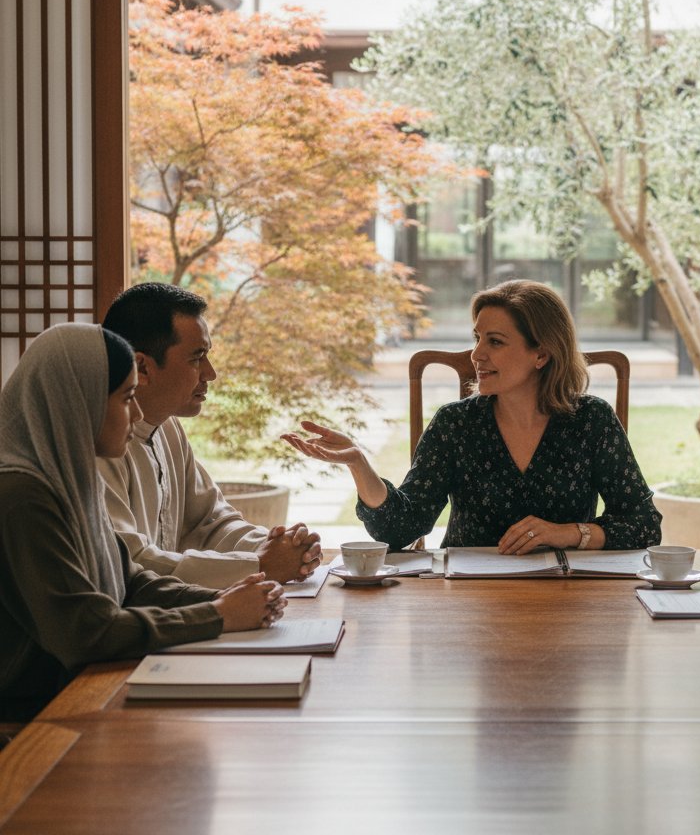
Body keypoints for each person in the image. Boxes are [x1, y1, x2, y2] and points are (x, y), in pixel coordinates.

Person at [0, 323, 285, 721]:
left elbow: (130, 581)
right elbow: (87, 632)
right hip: (31, 721)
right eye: (127, 397)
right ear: (76, 402)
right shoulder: (22, 497)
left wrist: (231, 599)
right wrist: (218, 616)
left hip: (83, 690)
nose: (136, 414)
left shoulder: (70, 478)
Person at [283, 279, 662, 552]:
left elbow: (644, 525)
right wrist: (359, 465)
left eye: (495, 342)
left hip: (568, 598)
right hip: (466, 601)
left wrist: (567, 533)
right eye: (477, 337)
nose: (477, 354)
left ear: (541, 355)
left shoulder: (591, 421)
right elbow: (400, 530)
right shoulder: (455, 424)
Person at [98, 283, 322, 588]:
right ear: (143, 367)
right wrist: (259, 565)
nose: (210, 373)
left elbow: (210, 522)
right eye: (196, 358)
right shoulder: (100, 442)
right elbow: (130, 562)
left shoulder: (168, 428)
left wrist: (274, 547)